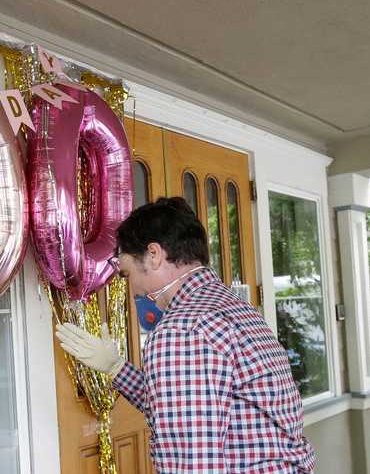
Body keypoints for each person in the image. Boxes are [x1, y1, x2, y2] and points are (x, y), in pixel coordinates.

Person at [56, 197, 316, 473]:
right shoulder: (233, 308)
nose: (133, 288)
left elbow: (193, 463)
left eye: (126, 273)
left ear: (154, 254)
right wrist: (116, 367)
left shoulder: (182, 330)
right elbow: (192, 407)